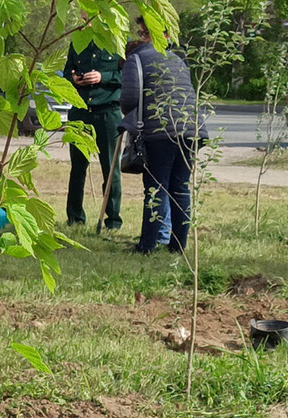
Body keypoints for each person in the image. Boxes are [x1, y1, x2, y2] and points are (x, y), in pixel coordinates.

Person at [120, 19, 203, 254]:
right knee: (180, 187)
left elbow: (129, 99)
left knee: (156, 187)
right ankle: (178, 246)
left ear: (143, 34)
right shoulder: (177, 59)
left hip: (160, 130)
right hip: (190, 129)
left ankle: (146, 246)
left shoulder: (136, 58)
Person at [64, 40, 123, 230]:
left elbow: (127, 75)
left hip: (107, 112)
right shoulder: (77, 43)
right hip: (81, 111)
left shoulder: (118, 41)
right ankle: (75, 218)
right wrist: (73, 80)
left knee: (110, 168)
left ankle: (113, 220)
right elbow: (66, 74)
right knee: (77, 168)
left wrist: (102, 76)